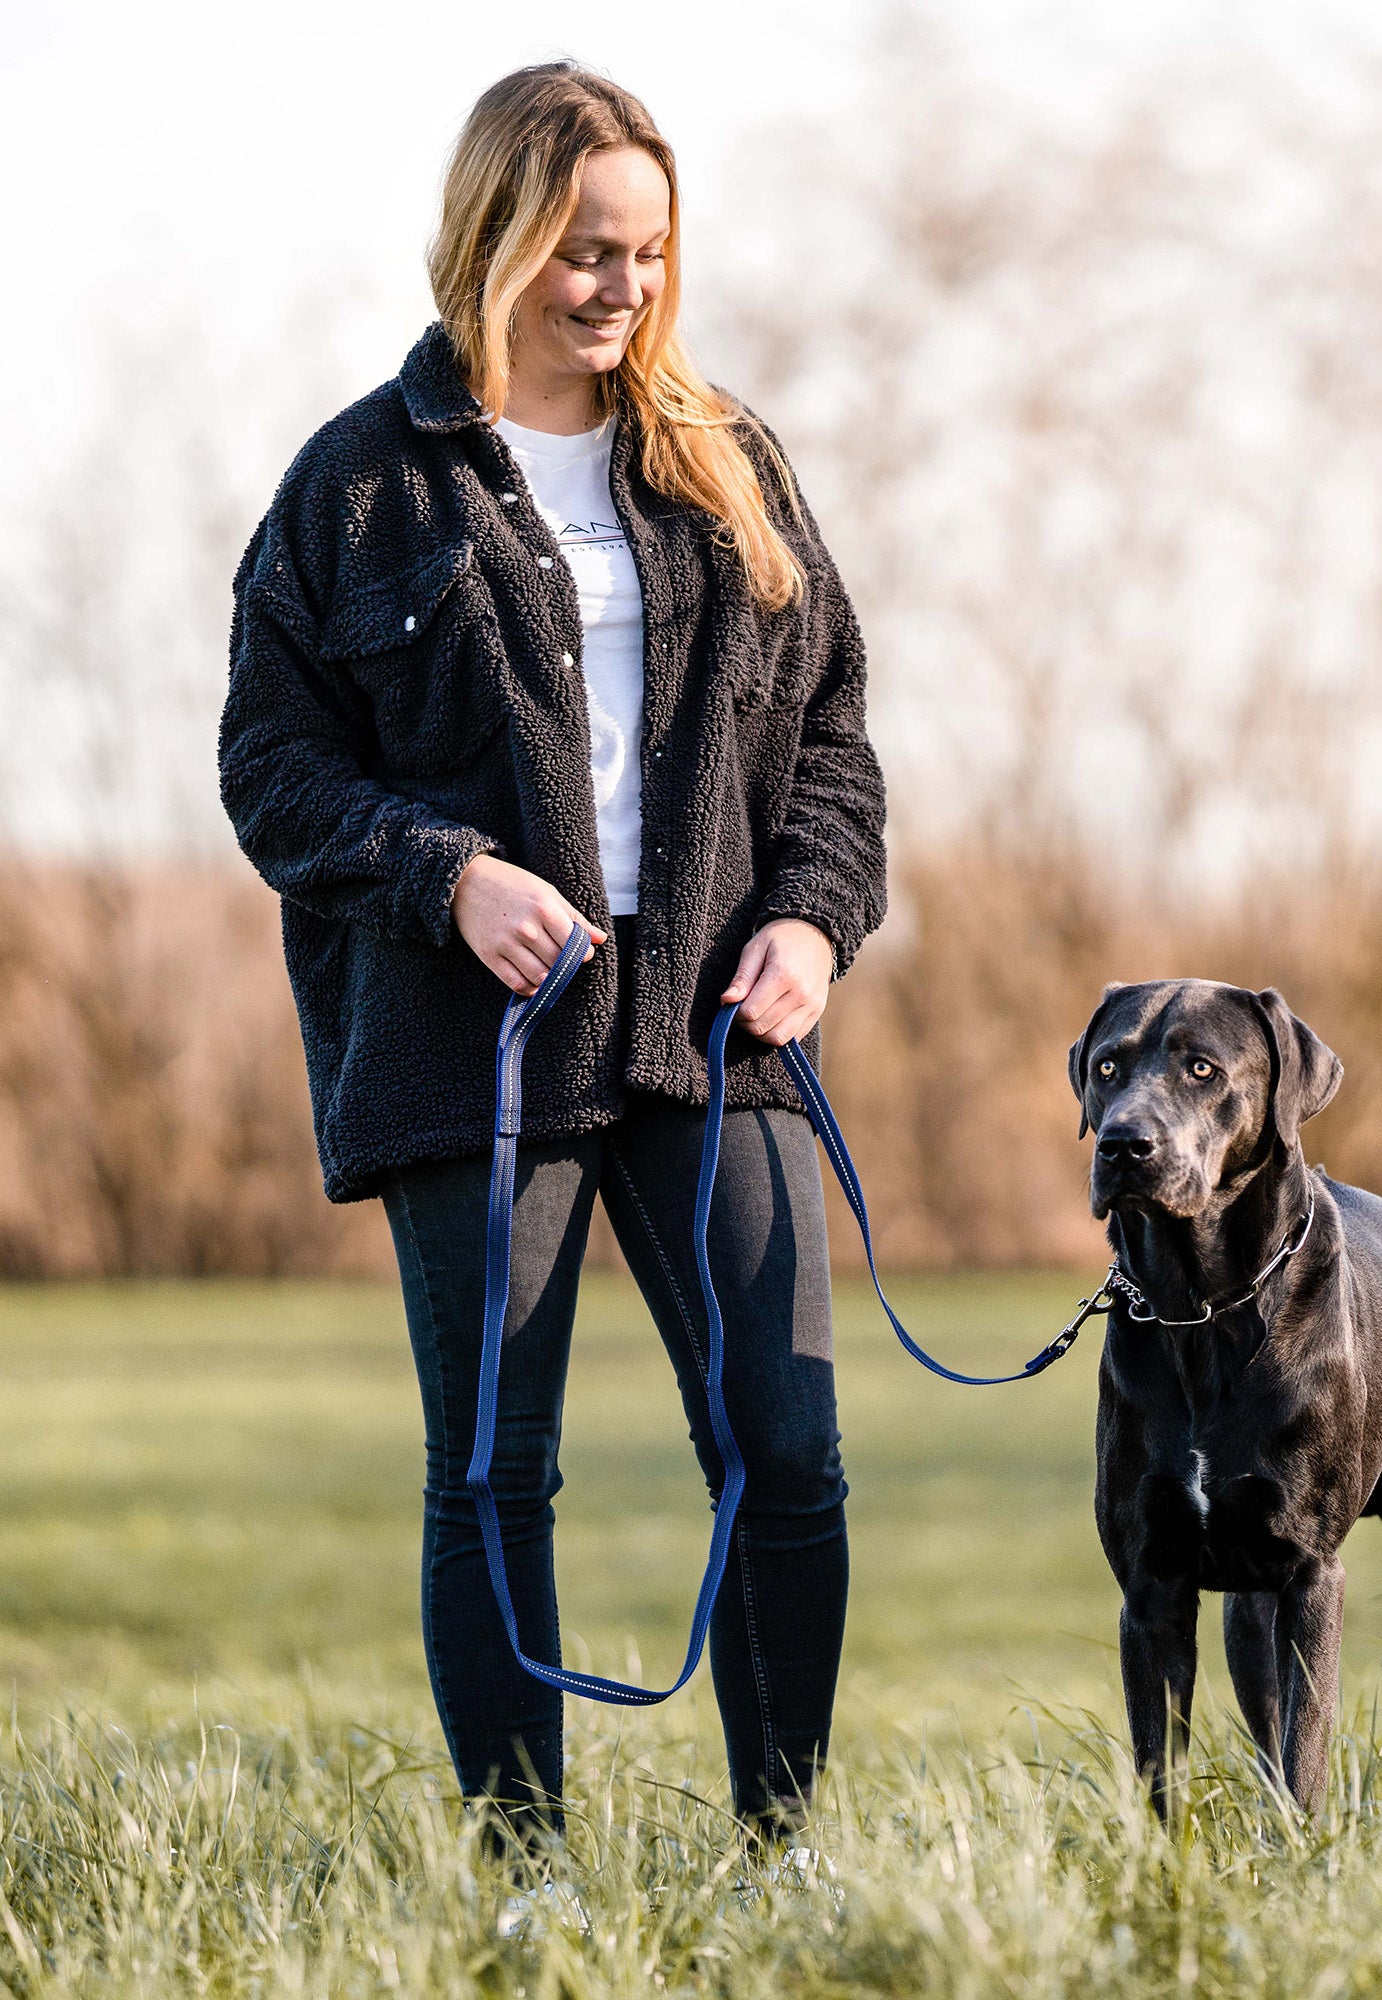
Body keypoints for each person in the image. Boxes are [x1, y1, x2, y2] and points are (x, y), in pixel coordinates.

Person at [218, 61, 887, 1855]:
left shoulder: (726, 462)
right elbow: (271, 767)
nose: (623, 288)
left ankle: (782, 1860)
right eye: (589, 251)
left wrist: (813, 918)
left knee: (790, 1460)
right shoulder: (360, 486)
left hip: (710, 1034)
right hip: (470, 1048)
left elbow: (829, 736)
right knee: (495, 1476)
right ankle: (524, 1882)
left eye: (651, 253)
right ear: (497, 233)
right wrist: (442, 876)